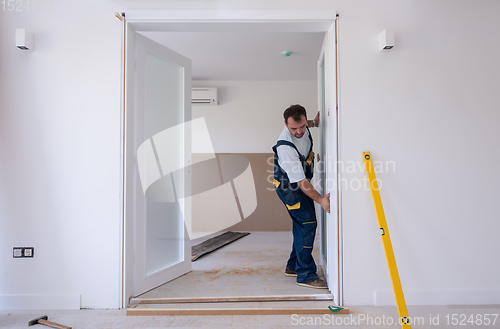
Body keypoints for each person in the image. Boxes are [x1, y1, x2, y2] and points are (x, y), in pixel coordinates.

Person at [272, 104, 330, 289]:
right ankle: (305, 274)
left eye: (302, 126)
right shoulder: (285, 147)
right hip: (291, 188)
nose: (299, 132)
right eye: (293, 128)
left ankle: (292, 267)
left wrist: (315, 122)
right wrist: (321, 200)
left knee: (301, 225)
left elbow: (307, 125)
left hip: (299, 185)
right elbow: (302, 182)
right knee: (307, 224)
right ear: (285, 125)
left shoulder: (305, 126)